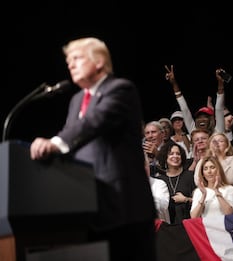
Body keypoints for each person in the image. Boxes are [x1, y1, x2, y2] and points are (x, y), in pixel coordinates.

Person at [29, 37, 156, 261]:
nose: (71, 65)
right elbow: (74, 138)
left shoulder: (120, 89)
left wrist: (55, 143)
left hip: (125, 207)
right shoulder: (77, 99)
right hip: (88, 206)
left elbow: (94, 122)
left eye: (77, 58)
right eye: (68, 61)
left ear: (98, 61)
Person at [153, 140, 196, 224]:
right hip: (168, 226)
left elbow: (200, 201)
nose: (175, 156)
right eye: (171, 154)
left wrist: (185, 199)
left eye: (178, 154)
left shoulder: (191, 176)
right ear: (165, 157)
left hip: (190, 223)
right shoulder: (159, 180)